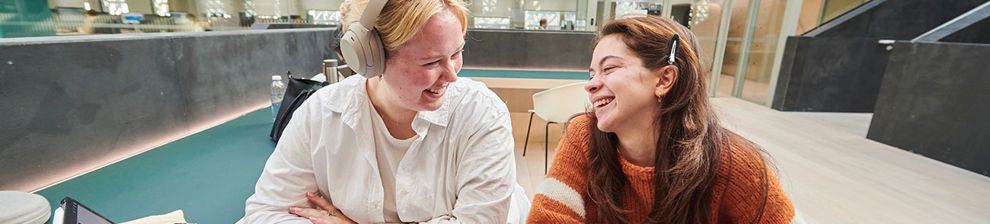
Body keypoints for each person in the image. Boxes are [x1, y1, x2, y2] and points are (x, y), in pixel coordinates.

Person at [241, 0, 522, 223]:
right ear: (369, 58)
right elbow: (266, 213)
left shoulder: (481, 114)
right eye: (432, 62)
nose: (451, 75)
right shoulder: (321, 114)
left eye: (457, 53)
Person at [527, 16, 795, 223]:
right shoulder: (582, 136)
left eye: (609, 68)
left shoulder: (732, 163)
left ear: (665, 79)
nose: (592, 84)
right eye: (591, 73)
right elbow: (549, 215)